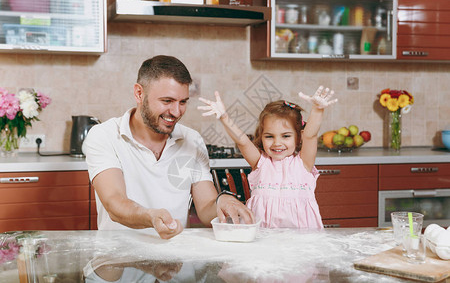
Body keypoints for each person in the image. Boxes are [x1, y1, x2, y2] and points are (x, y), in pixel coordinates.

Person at [82, 55, 254, 239]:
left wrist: (223, 201)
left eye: (183, 102)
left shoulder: (192, 139)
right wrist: (150, 217)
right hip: (117, 258)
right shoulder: (104, 135)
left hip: (175, 259)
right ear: (139, 93)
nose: (176, 112)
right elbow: (114, 203)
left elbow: (206, 208)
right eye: (167, 101)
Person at [198, 86, 338, 228]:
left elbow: (311, 135)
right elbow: (243, 141)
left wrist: (318, 109)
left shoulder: (303, 163)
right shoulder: (260, 163)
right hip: (263, 240)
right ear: (261, 137)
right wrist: (224, 117)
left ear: (299, 137)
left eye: (286, 136)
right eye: (269, 136)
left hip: (301, 241)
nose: (277, 143)